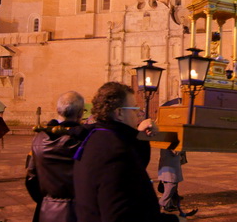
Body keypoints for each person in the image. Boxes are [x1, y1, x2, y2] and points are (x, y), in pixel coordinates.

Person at [73, 82, 183, 222]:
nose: (139, 113)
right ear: (119, 113)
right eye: (134, 109)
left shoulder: (97, 138)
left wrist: (139, 137)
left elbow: (131, 175)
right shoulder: (114, 152)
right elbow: (122, 215)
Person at [25, 90, 86, 222]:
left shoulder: (39, 138)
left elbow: (31, 179)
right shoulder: (85, 140)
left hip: (47, 211)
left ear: (58, 110)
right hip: (79, 212)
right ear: (81, 113)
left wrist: (47, 201)